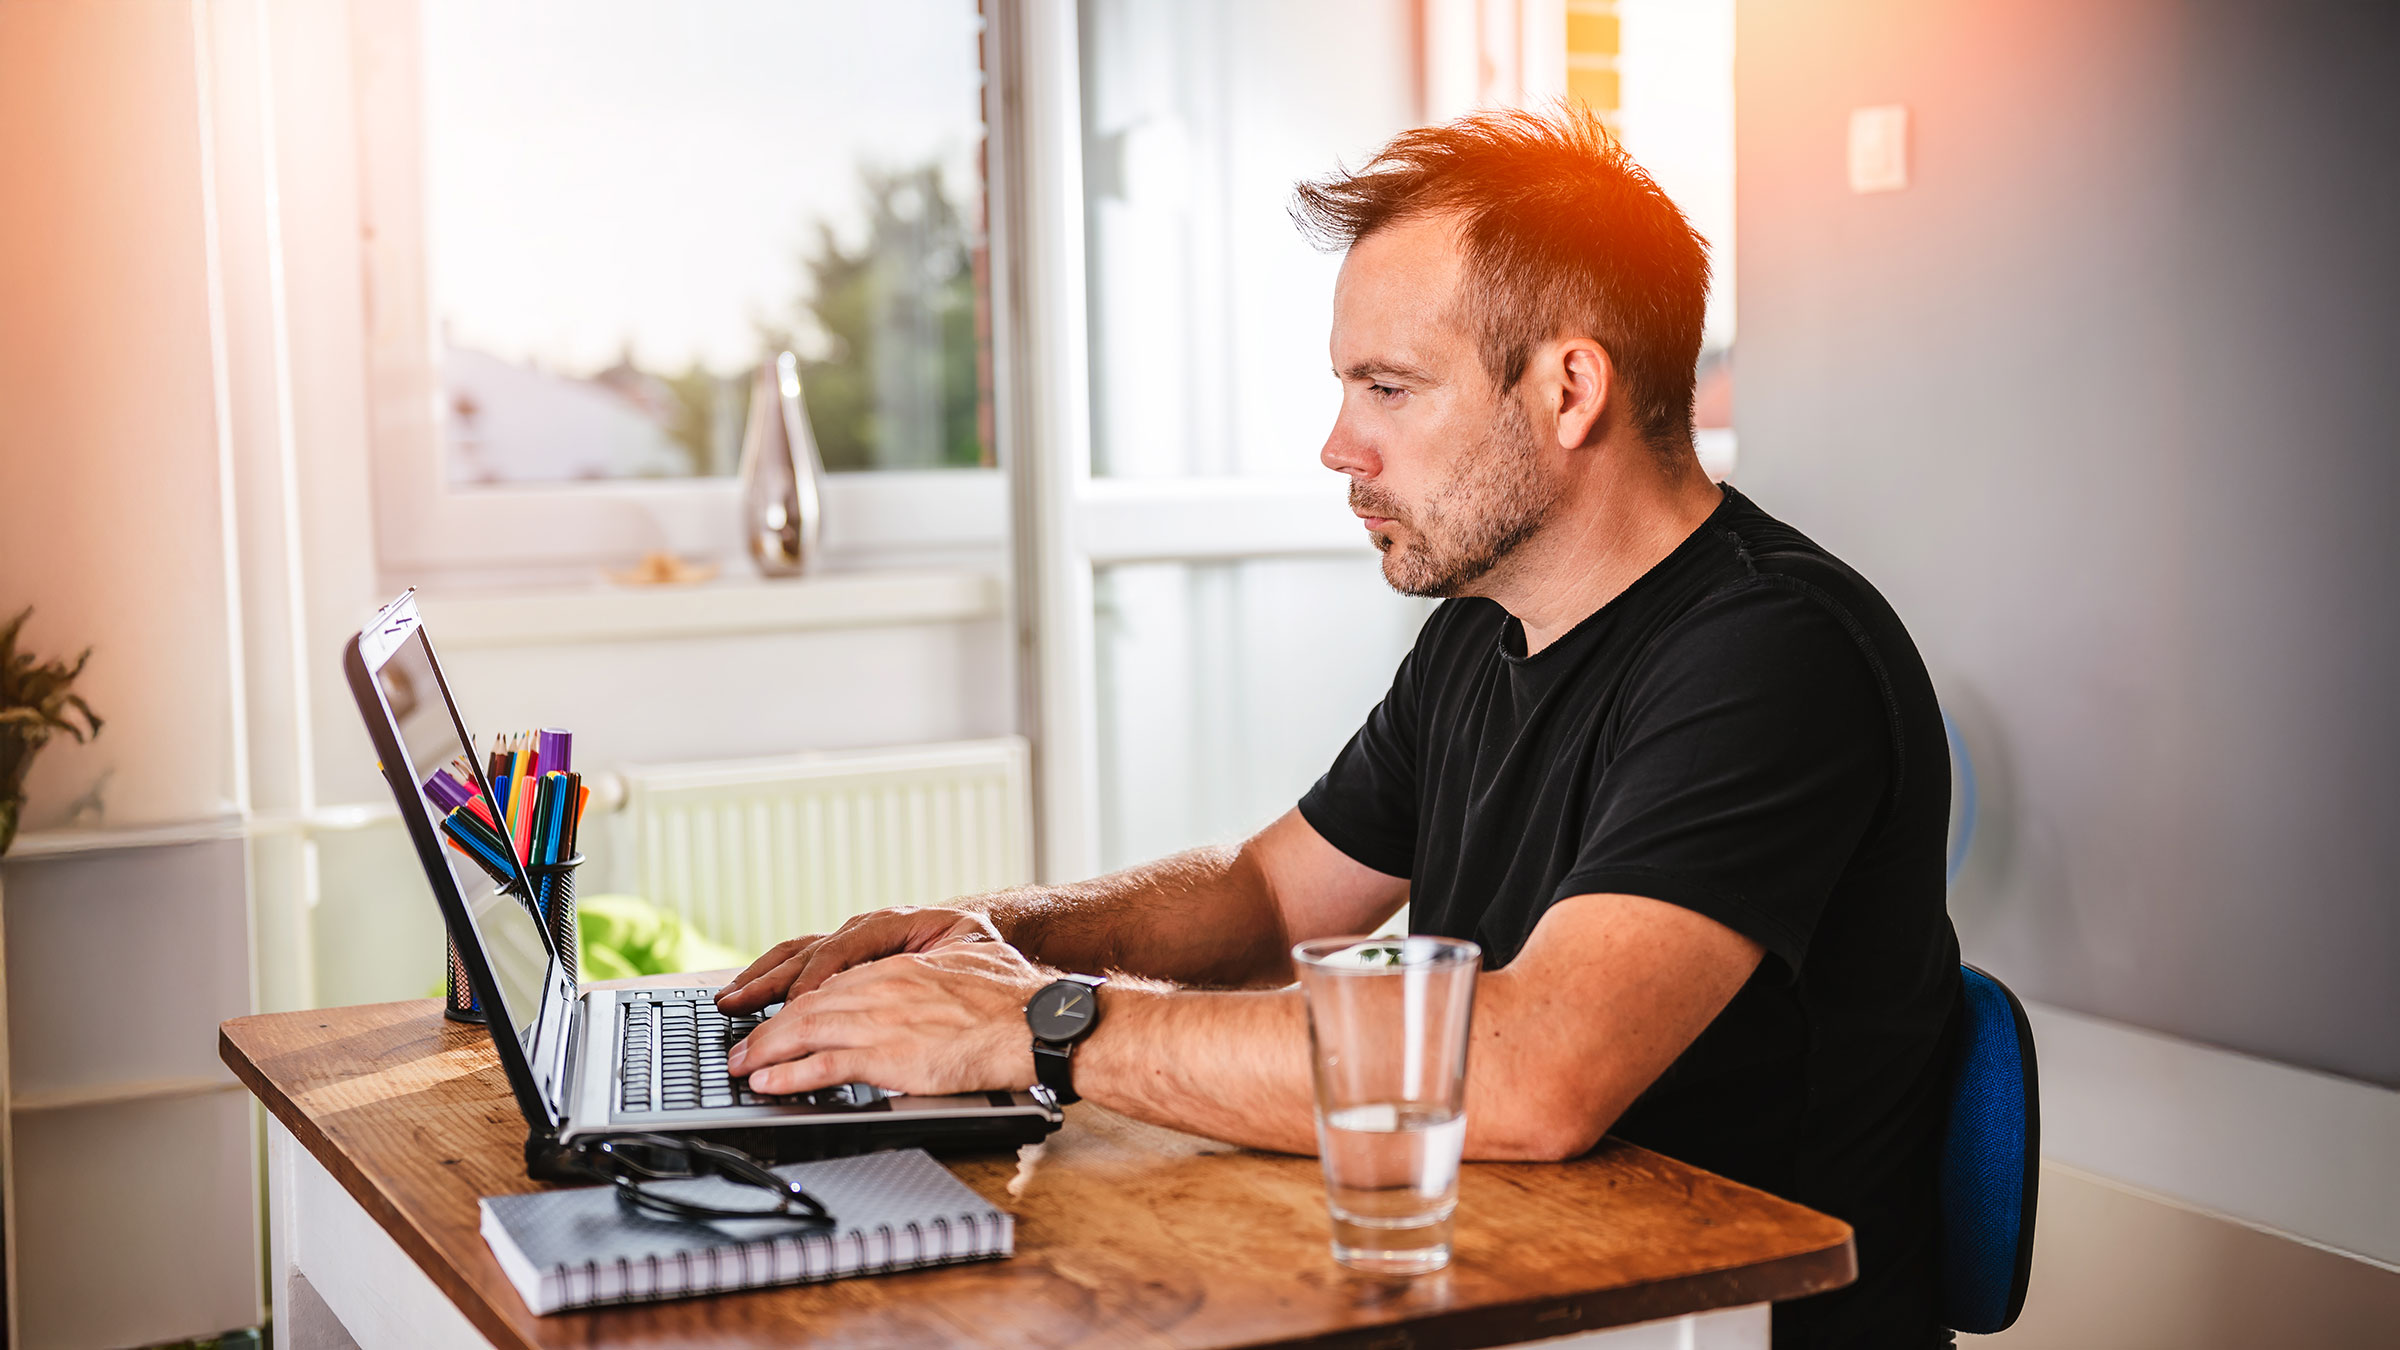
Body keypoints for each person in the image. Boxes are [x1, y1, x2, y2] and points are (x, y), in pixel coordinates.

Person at [719, 105, 1960, 1347]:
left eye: (1389, 388)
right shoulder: (1483, 633)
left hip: (1710, 1324)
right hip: (1508, 1286)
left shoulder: (1774, 656)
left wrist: (1036, 1024)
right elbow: (1268, 897)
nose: (1337, 445)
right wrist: (992, 939)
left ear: (1569, 387)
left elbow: (1537, 1079)